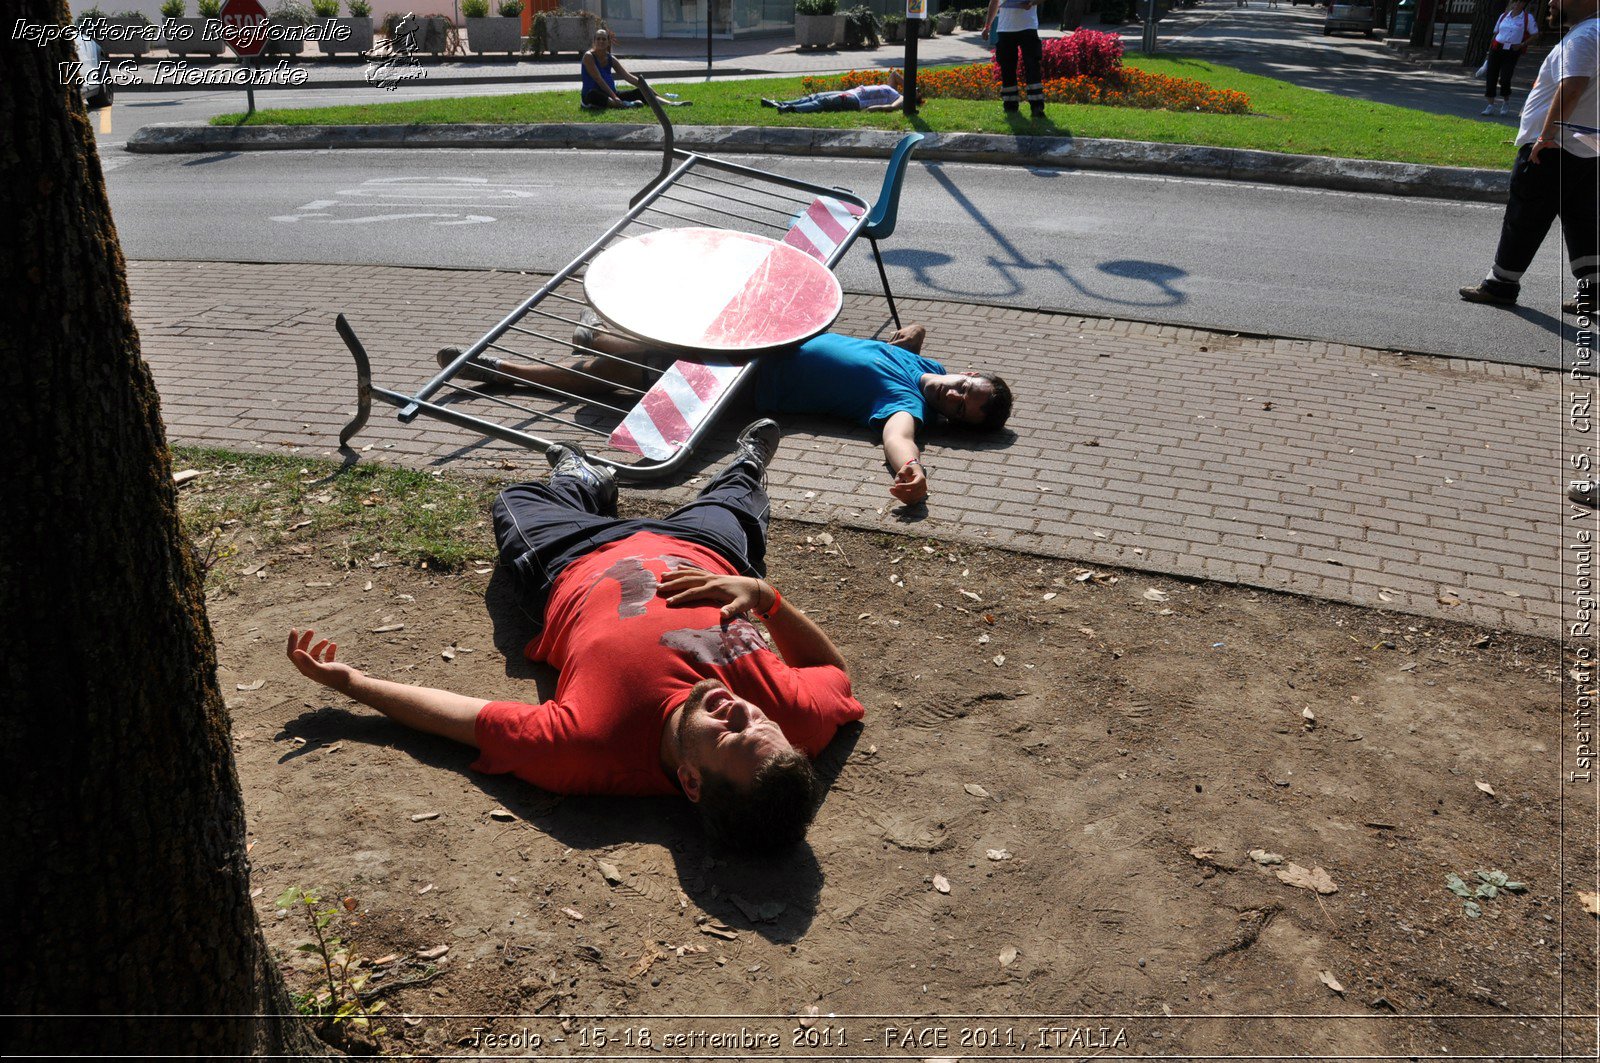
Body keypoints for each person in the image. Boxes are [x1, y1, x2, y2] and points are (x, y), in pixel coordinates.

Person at [286, 421, 865, 853]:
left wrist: (354, 683)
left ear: (691, 782)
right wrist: (766, 599)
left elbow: (463, 719)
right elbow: (831, 672)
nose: (743, 711)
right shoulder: (791, 728)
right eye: (760, 723)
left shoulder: (587, 749)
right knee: (735, 503)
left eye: (731, 733)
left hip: (572, 563)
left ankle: (582, 481)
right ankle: (744, 467)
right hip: (707, 551)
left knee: (515, 502)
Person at [437, 320, 1015, 506]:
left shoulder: (907, 403)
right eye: (967, 385)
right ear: (965, 370)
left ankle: (502, 375)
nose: (956, 394)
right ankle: (602, 344)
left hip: (742, 380)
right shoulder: (920, 366)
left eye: (964, 407)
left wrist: (908, 470)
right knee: (646, 350)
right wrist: (904, 340)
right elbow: (907, 338)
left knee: (620, 376)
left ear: (954, 422)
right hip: (753, 339)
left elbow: (898, 434)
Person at [1459, 0, 1597, 316]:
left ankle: (1501, 285)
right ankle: (1594, 290)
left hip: (1556, 146)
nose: (1550, 2)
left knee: (1525, 215)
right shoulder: (1595, 32)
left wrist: (1546, 135)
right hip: (1585, 145)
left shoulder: (1584, 36)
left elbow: (1573, 86)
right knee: (1583, 218)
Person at [580, 28, 689, 109]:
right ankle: (626, 105)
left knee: (640, 91)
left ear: (608, 42)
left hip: (611, 94)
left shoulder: (611, 58)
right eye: (598, 39)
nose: (601, 41)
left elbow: (629, 77)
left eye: (604, 39)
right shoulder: (588, 56)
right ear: (594, 41)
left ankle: (670, 104)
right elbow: (599, 80)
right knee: (594, 95)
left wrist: (648, 90)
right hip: (592, 95)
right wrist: (614, 97)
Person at [983, 0, 1044, 118]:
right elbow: (994, 2)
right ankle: (1010, 105)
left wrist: (1031, 3)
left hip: (1028, 27)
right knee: (1007, 69)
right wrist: (987, 26)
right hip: (1005, 29)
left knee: (1032, 67)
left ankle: (1037, 107)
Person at [1483, 0, 1541, 116]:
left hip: (1512, 50)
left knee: (1505, 77)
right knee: (1491, 76)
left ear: (1524, 4)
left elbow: (1535, 34)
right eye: (1515, 2)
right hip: (1497, 48)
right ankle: (1490, 104)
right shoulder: (1504, 16)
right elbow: (1496, 33)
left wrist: (1522, 44)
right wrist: (1489, 52)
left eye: (1520, 2)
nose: (1517, 5)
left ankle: (1506, 101)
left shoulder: (1526, 18)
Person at [760, 70, 908, 113]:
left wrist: (869, 109)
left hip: (856, 101)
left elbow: (891, 107)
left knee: (823, 102)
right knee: (816, 95)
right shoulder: (893, 87)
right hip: (851, 92)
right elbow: (895, 74)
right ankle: (778, 103)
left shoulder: (900, 98)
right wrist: (910, 86)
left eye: (917, 91)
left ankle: (790, 109)